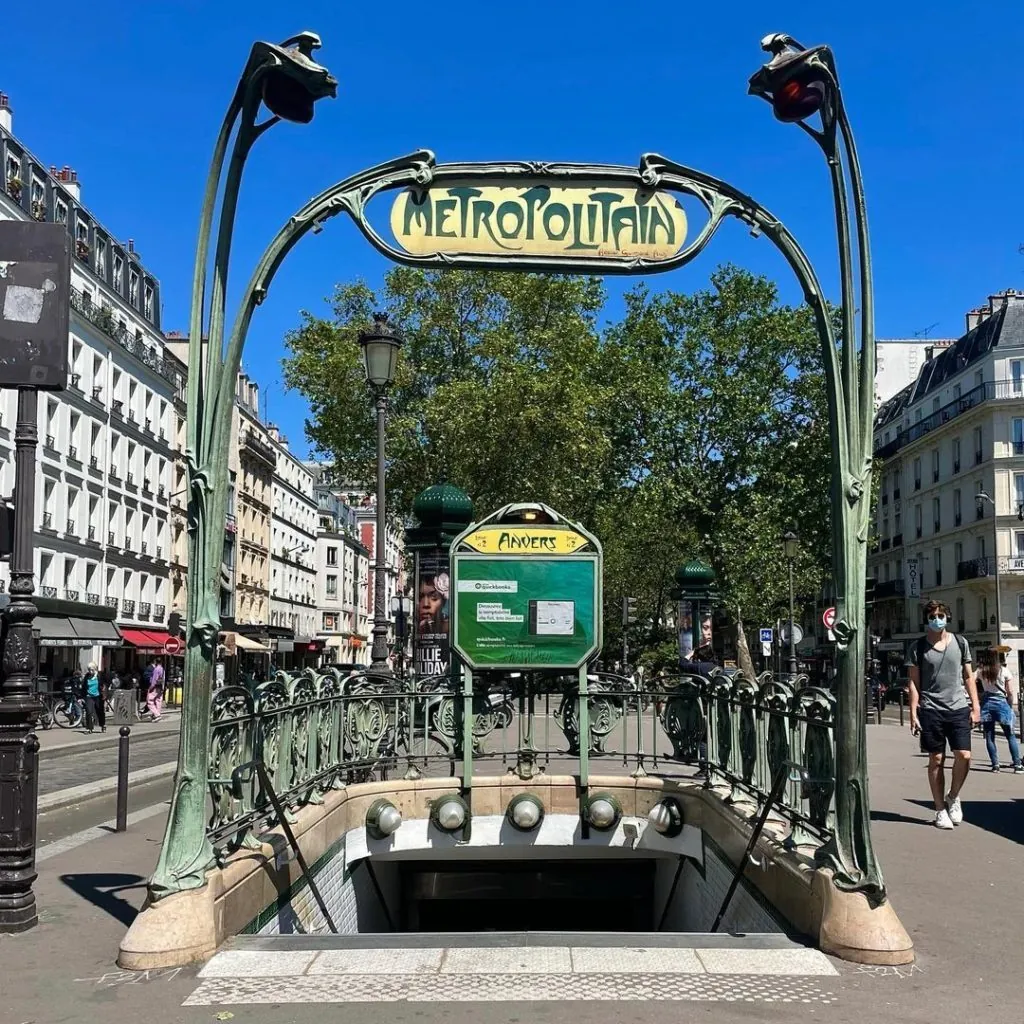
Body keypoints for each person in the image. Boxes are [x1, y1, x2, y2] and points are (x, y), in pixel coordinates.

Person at [908, 600, 980, 829]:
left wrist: (975, 707)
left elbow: (968, 677)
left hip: (958, 707)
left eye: (940, 615)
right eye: (932, 616)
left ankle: (953, 795)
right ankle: (940, 809)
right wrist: (912, 712)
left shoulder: (960, 643)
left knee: (964, 755)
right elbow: (913, 682)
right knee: (936, 759)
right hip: (931, 709)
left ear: (947, 617)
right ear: (926, 619)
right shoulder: (918, 648)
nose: (936, 619)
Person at [975, 647, 1022, 773]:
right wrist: (1010, 705)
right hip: (1001, 702)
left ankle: (995, 765)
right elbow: (1010, 691)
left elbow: (970, 679)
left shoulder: (981, 671)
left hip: (986, 702)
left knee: (990, 736)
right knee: (1010, 735)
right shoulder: (1004, 670)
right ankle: (1017, 765)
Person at [83, 661, 105, 734]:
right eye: (89, 670)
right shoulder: (86, 676)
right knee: (89, 712)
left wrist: (103, 692)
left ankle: (102, 725)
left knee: (99, 711)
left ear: (95, 669)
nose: (90, 671)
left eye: (92, 670)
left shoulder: (99, 676)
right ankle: (89, 728)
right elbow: (84, 686)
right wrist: (81, 696)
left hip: (98, 696)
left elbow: (103, 685)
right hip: (89, 696)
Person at [144, 658, 165, 722]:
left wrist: (151, 687)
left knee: (149, 701)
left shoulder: (156, 669)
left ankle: (157, 715)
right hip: (160, 687)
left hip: (155, 687)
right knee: (158, 701)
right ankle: (156, 714)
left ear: (156, 662)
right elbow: (163, 679)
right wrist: (163, 688)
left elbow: (154, 680)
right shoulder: (162, 669)